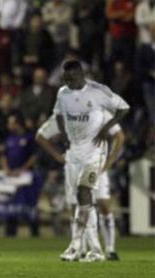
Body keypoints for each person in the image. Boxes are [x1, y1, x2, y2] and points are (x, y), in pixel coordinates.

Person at [52, 59, 129, 261]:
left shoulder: (99, 91)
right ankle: (95, 250)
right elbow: (58, 114)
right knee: (83, 200)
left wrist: (106, 127)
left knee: (84, 193)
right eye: (65, 79)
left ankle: (75, 246)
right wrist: (63, 135)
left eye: (71, 78)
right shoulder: (63, 93)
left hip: (95, 153)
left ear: (81, 74)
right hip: (74, 153)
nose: (67, 82)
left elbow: (124, 108)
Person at [36, 113, 125, 260]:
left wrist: (110, 161)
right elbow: (40, 135)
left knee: (103, 204)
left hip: (97, 164)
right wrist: (58, 156)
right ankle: (80, 249)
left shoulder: (100, 111)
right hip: (73, 165)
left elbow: (119, 135)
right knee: (75, 206)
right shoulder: (64, 113)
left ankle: (110, 249)